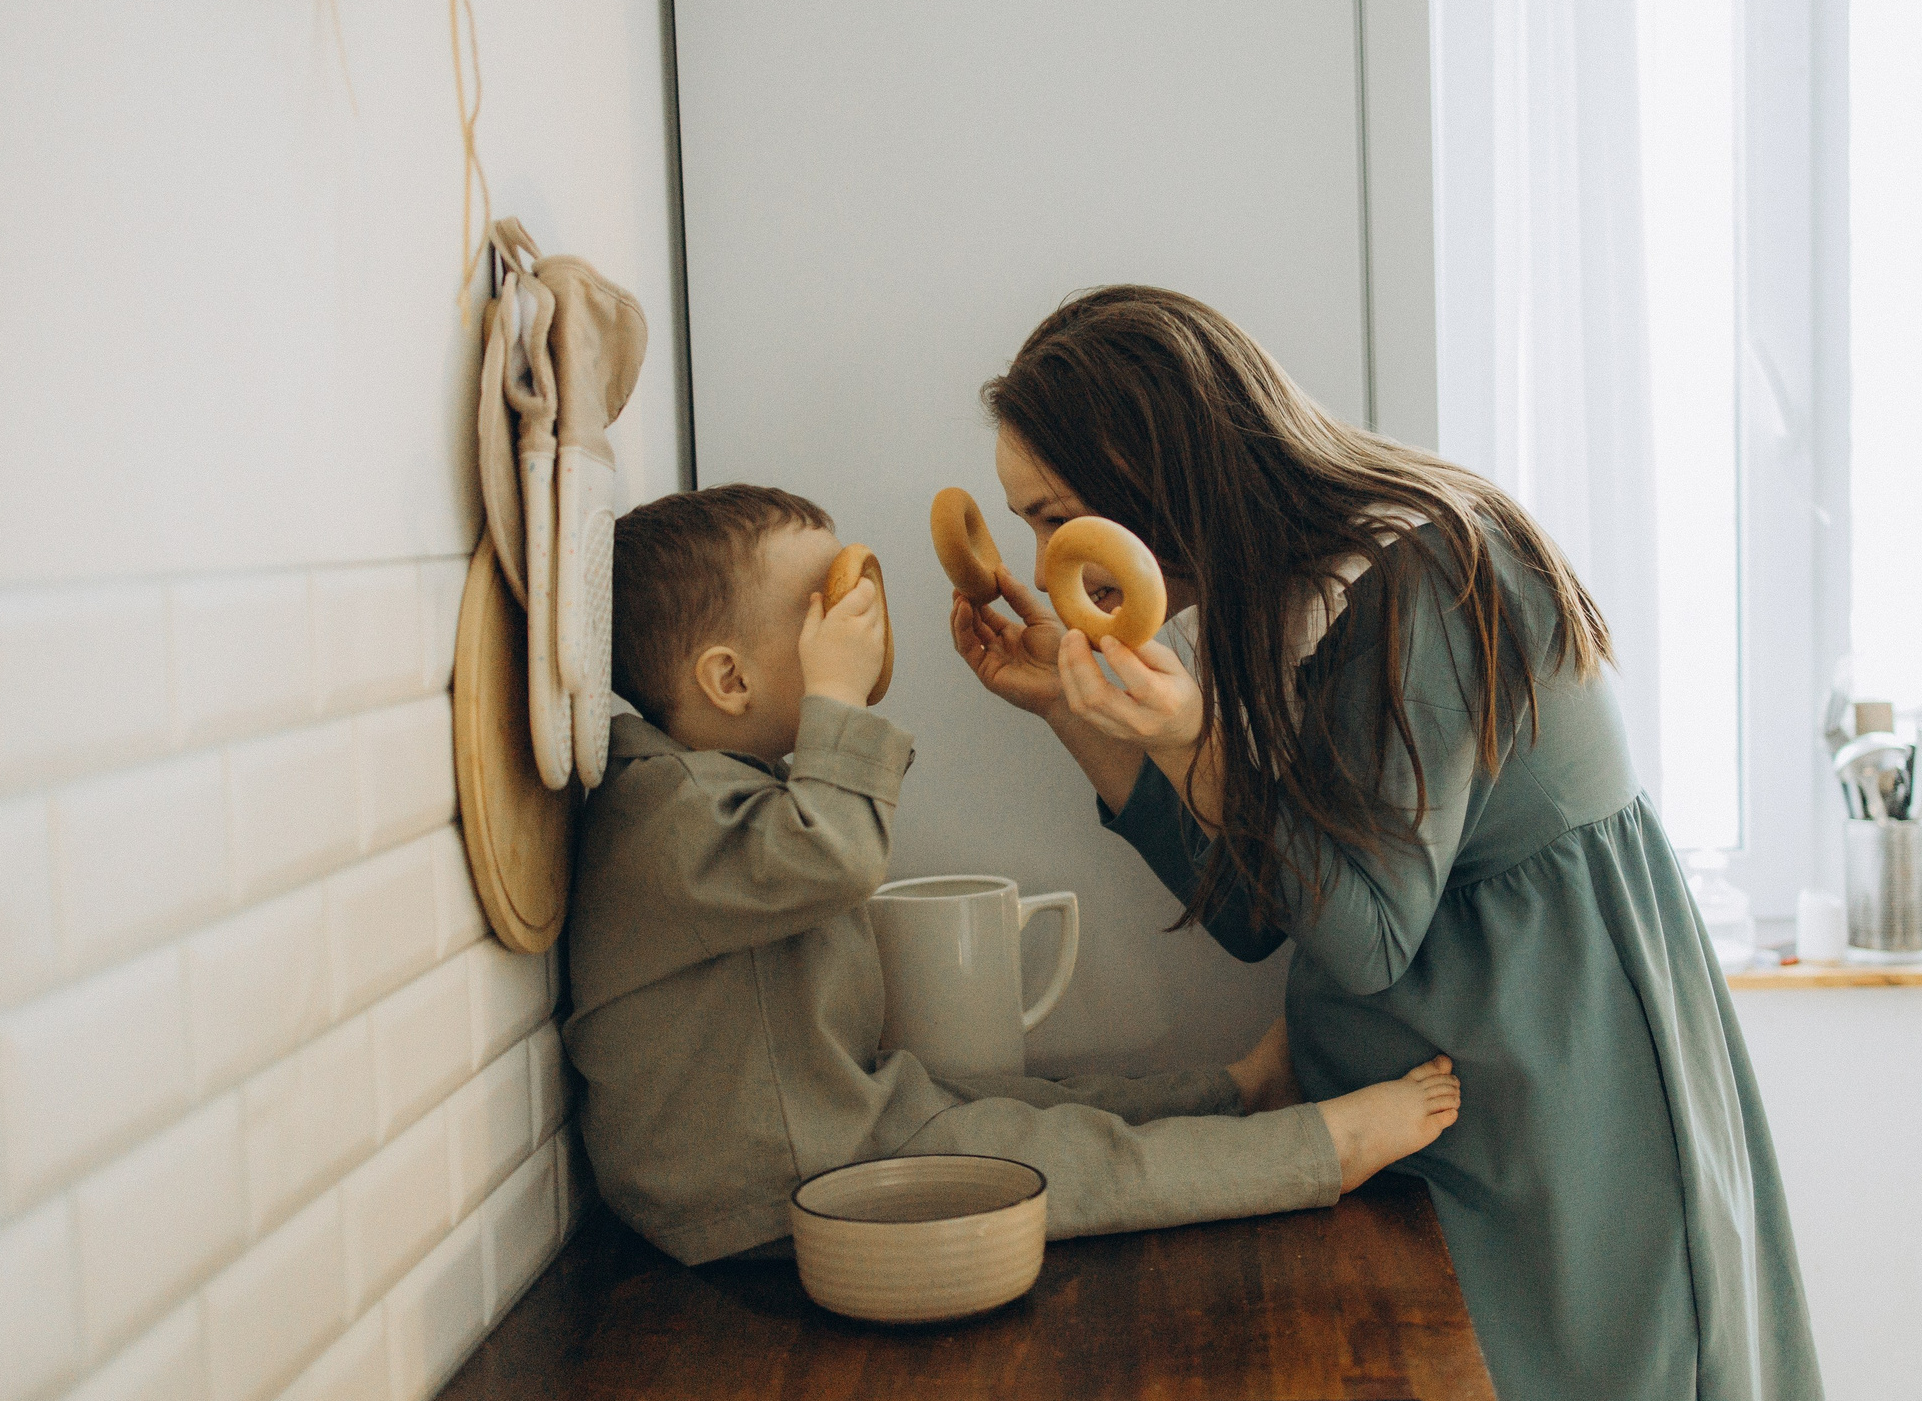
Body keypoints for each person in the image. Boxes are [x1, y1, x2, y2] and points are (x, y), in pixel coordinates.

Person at [950, 289, 1848, 1401]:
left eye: (1056, 516)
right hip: (1440, 1106)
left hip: (1551, 1097)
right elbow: (1262, 914)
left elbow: (1365, 936)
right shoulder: (1288, 599)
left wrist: (1195, 731)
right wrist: (1075, 714)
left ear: (1143, 474)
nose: (1054, 554)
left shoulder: (1434, 571)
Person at [562, 483, 1462, 1267]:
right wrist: (836, 694)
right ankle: (1316, 1152)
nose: (857, 621)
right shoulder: (665, 811)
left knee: (1031, 1099)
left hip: (817, 1122)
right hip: (767, 1179)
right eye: (819, 608)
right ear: (727, 679)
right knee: (1072, 1162)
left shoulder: (695, 786)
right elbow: (833, 855)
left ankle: (1237, 1091)